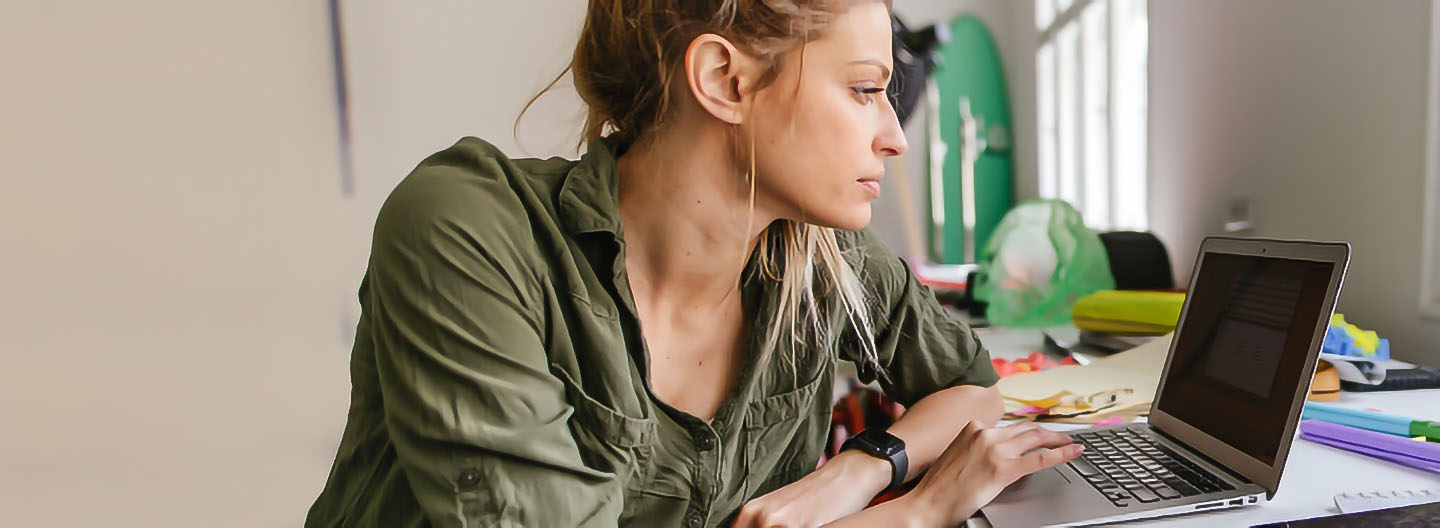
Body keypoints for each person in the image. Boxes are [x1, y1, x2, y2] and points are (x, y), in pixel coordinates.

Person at [305, 1, 1082, 526]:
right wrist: (912, 513)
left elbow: (973, 393)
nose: (895, 135)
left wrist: (860, 470)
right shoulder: (467, 230)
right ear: (724, 80)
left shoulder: (822, 259)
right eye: (864, 90)